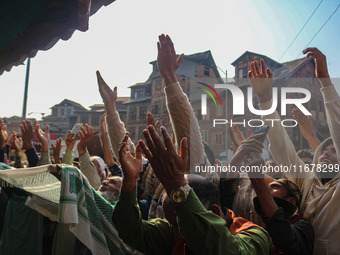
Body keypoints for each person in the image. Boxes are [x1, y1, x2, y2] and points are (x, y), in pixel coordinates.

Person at [113, 126, 270, 255]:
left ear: (214, 212)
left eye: (179, 223)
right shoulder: (172, 232)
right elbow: (130, 229)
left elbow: (225, 250)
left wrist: (176, 183)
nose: (174, 234)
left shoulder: (254, 236)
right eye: (171, 225)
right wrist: (129, 180)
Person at [248, 48, 340, 254]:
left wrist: (325, 82)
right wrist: (264, 99)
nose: (327, 153)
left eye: (335, 151)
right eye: (326, 149)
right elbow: (281, 146)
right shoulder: (306, 180)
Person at [231, 135, 314, 255]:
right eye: (266, 186)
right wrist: (238, 157)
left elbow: (286, 238)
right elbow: (227, 200)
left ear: (291, 201)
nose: (267, 189)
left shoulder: (302, 226)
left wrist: (258, 180)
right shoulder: (251, 220)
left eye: (275, 187)